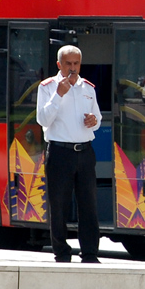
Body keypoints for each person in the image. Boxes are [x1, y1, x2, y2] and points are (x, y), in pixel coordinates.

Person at [37, 45, 102, 263]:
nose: (72, 69)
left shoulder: (88, 87)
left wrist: (94, 121)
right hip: (59, 151)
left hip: (84, 152)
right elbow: (43, 120)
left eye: (76, 64)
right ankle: (62, 252)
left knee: (89, 205)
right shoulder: (47, 87)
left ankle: (90, 253)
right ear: (59, 65)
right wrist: (59, 95)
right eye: (68, 64)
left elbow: (97, 118)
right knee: (59, 205)